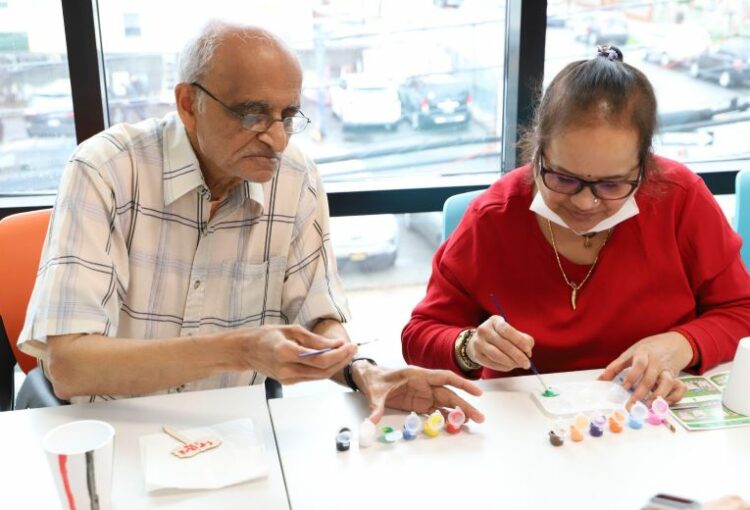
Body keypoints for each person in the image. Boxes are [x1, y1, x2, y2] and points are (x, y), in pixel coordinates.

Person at [17, 20, 484, 425]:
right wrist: (240, 349)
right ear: (187, 104)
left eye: (288, 115)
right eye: (253, 115)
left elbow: (318, 317)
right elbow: (70, 364)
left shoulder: (296, 178)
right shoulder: (107, 170)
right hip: (110, 425)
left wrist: (363, 369)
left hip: (233, 432)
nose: (277, 139)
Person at [402, 45, 750, 406]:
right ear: (537, 152)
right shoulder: (492, 217)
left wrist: (683, 344)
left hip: (648, 416)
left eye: (612, 184)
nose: (585, 203)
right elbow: (419, 337)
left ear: (644, 168)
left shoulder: (679, 198)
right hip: (527, 423)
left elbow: (741, 309)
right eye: (564, 179)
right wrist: (469, 346)